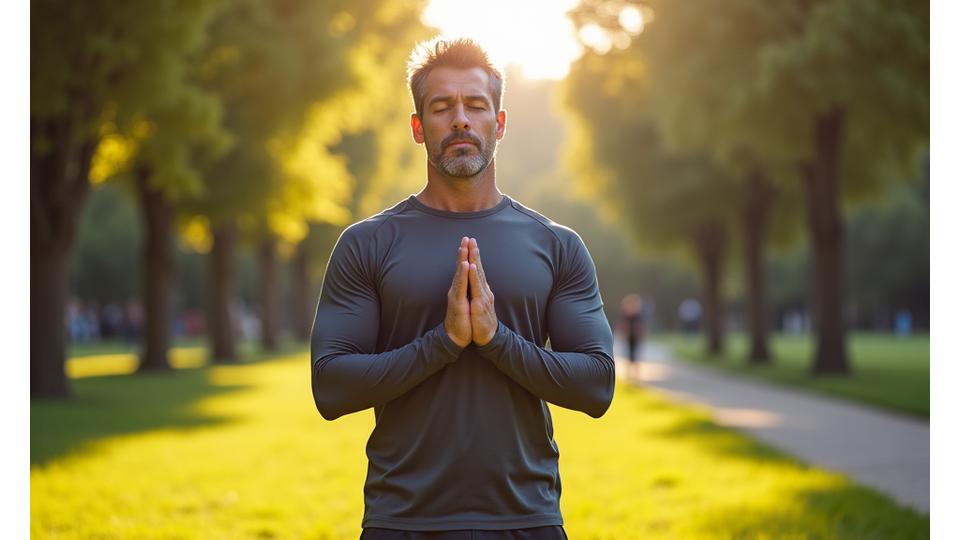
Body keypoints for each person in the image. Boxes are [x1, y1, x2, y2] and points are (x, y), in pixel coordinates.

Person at [310, 38, 615, 539]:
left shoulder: (557, 244)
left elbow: (597, 385)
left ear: (499, 123)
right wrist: (443, 343)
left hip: (528, 521)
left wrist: (497, 341)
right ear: (417, 127)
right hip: (402, 522)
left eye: (475, 105)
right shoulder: (366, 244)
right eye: (441, 106)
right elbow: (331, 386)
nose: (460, 120)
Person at [617, 293, 645, 381]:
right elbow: (622, 325)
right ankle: (629, 375)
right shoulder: (625, 314)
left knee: (635, 355)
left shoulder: (638, 314)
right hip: (628, 336)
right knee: (628, 355)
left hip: (635, 336)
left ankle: (635, 376)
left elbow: (641, 326)